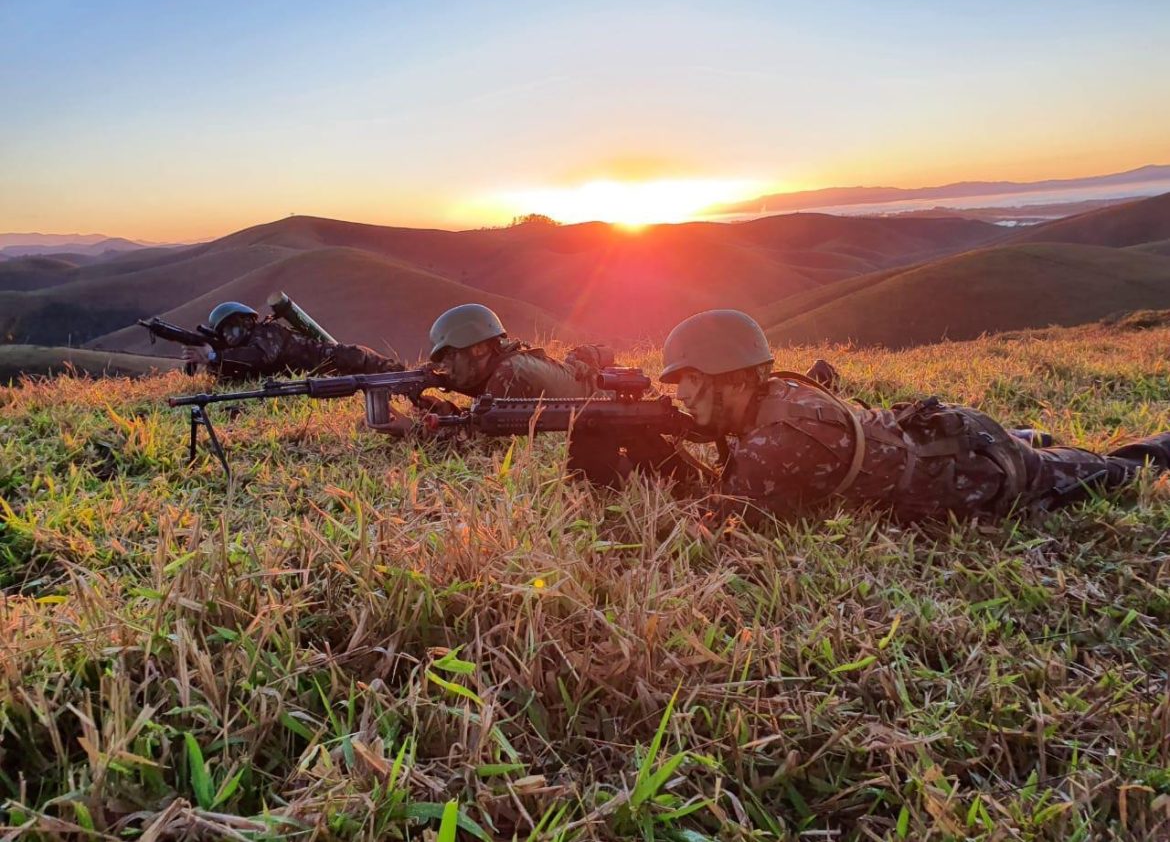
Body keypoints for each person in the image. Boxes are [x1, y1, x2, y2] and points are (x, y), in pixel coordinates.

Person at [647, 309, 1170, 523]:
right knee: (1034, 448)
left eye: (691, 381)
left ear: (734, 377)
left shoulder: (776, 445)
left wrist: (652, 465)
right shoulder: (777, 392)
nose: (684, 396)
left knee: (1115, 469)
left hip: (977, 472)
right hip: (941, 433)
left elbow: (721, 526)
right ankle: (1028, 440)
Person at [366, 303, 605, 436]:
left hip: (601, 401)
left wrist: (414, 430)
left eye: (450, 355)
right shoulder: (497, 362)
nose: (443, 367)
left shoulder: (510, 374)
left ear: (479, 349)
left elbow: (485, 443)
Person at [184, 301, 403, 381]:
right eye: (224, 332)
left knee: (393, 373)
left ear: (247, 322)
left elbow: (261, 357)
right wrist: (209, 360)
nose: (230, 336)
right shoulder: (241, 349)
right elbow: (234, 375)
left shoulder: (267, 332)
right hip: (320, 376)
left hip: (339, 359)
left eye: (232, 327)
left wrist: (214, 355)